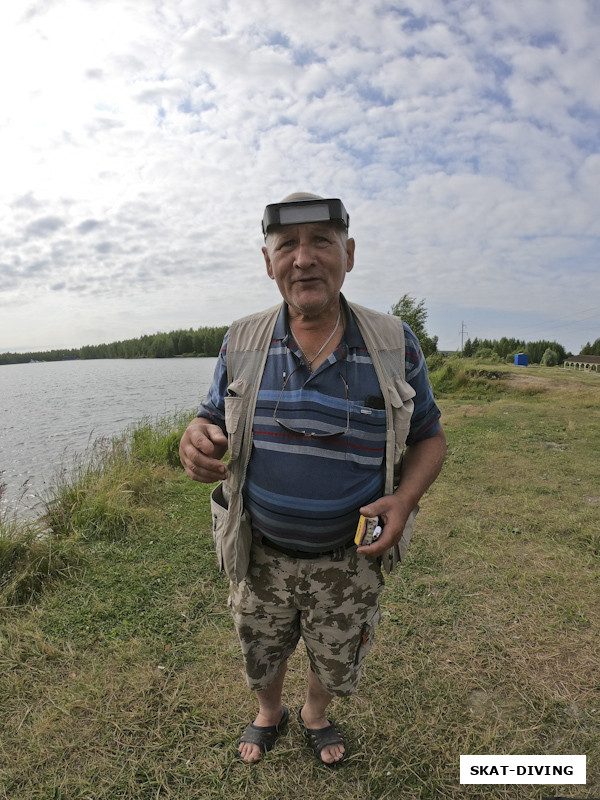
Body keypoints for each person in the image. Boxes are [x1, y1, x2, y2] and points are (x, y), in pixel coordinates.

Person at [179, 193, 446, 766]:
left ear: (348, 254)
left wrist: (405, 498)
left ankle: (315, 714)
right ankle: (269, 711)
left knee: (337, 653)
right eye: (287, 246)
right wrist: (195, 435)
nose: (304, 258)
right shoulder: (242, 340)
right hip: (259, 553)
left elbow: (430, 435)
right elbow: (208, 415)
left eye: (321, 241)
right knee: (261, 649)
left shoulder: (393, 343)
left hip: (351, 557)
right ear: (267, 260)